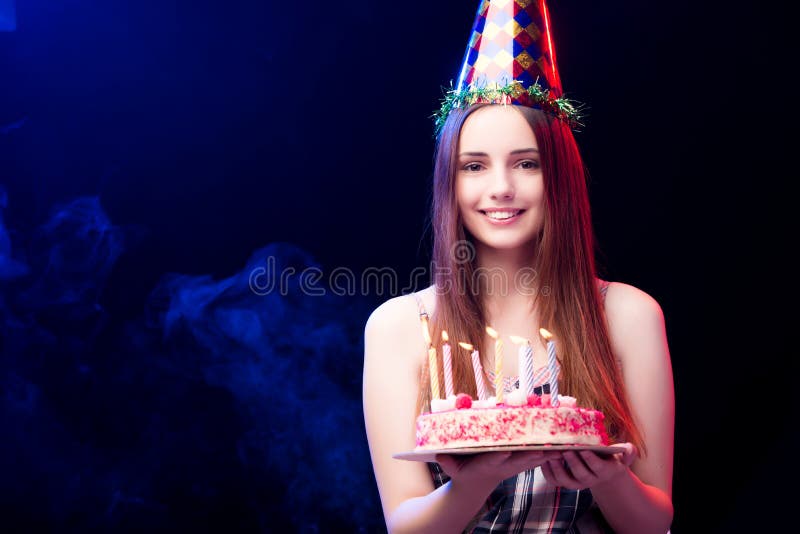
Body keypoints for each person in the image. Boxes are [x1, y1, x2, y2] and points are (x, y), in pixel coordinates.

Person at [363, 2, 674, 532]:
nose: (501, 188)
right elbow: (406, 527)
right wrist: (474, 480)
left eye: (526, 163)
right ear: (450, 183)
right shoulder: (399, 327)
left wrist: (607, 477)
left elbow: (653, 523)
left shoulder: (627, 314)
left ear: (559, 176)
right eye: (474, 166)